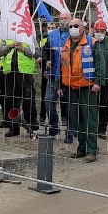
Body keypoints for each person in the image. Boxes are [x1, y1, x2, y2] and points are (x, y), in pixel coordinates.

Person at [58, 18, 98, 162]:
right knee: (76, 119)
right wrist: (60, 85)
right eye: (70, 26)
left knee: (90, 120)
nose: (72, 28)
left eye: (75, 26)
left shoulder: (92, 43)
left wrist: (98, 82)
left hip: (88, 87)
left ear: (83, 28)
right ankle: (81, 148)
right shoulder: (66, 45)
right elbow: (62, 66)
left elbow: (100, 64)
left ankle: (92, 150)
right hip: (71, 87)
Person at [0, 36, 39, 139]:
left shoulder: (29, 36)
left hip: (26, 74)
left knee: (28, 101)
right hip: (9, 74)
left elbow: (37, 53)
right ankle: (13, 127)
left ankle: (32, 127)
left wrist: (23, 49)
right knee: (10, 100)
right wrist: (10, 46)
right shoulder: (6, 37)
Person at [43, 12, 72, 141]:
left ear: (71, 20)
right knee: (48, 100)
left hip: (70, 76)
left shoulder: (75, 34)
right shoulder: (52, 34)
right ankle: (54, 128)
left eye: (65, 18)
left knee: (70, 104)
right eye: (61, 19)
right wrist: (46, 60)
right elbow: (46, 50)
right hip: (54, 74)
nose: (63, 21)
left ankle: (70, 132)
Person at [91, 20, 108, 140]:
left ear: (106, 32)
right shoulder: (90, 42)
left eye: (102, 31)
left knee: (104, 104)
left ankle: (102, 129)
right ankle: (92, 127)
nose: (99, 33)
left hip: (107, 80)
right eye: (97, 31)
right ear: (93, 30)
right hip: (93, 79)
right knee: (92, 104)